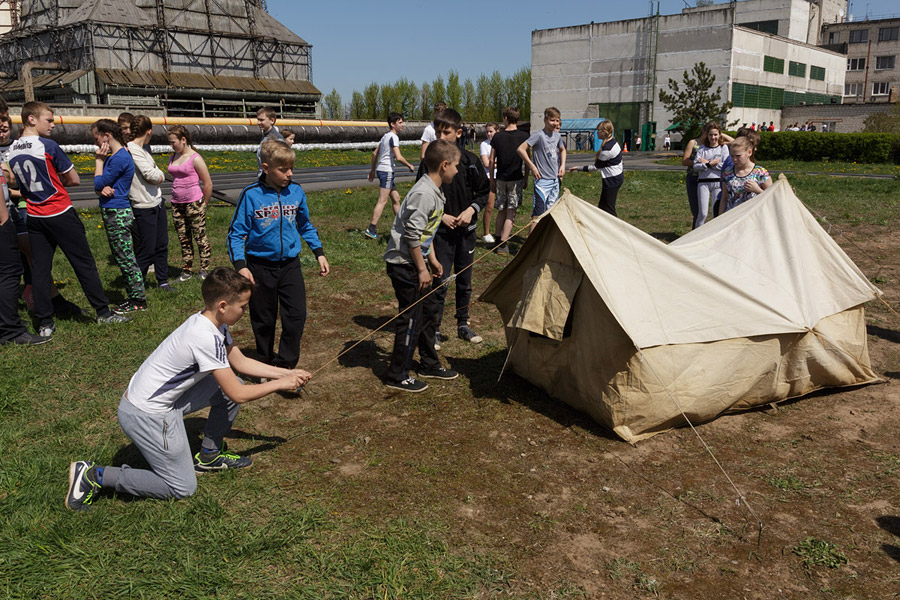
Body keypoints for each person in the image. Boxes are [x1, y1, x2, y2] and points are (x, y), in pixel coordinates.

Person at [64, 267, 313, 511]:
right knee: (181, 487)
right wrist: (280, 385)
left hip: (163, 402)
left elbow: (239, 362)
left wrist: (287, 373)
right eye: (243, 307)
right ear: (223, 306)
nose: (245, 311)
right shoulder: (205, 337)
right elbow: (239, 396)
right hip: (146, 414)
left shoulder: (211, 322)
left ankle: (209, 456)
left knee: (232, 382)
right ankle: (94, 475)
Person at [8, 102, 130, 336]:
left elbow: (16, 182)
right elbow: (73, 180)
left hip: (34, 214)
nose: (53, 124)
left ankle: (45, 322)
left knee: (40, 269)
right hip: (59, 211)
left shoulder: (12, 149)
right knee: (83, 262)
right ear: (31, 119)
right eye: (49, 120)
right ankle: (103, 312)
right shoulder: (48, 146)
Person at [227, 140, 330, 369]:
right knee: (263, 320)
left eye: (292, 168)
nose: (289, 174)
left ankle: (285, 366)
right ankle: (264, 362)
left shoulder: (296, 191)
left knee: (296, 316)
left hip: (290, 266)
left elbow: (305, 225)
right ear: (266, 168)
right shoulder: (251, 195)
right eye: (283, 170)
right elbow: (235, 234)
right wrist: (241, 265)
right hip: (259, 268)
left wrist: (318, 252)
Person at [383, 139, 460, 392]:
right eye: (456, 166)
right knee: (411, 319)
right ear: (444, 165)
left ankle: (428, 363)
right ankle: (397, 375)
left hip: (417, 261)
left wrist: (433, 259)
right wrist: (422, 269)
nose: (457, 171)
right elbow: (412, 236)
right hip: (404, 265)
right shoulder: (424, 193)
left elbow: (428, 230)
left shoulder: (435, 191)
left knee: (428, 314)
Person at [416, 109, 489, 346]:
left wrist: (471, 211)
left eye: (445, 132)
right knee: (440, 279)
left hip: (466, 233)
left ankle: (462, 323)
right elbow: (421, 199)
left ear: (458, 133)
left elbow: (484, 192)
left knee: (464, 280)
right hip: (442, 234)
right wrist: (442, 217)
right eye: (437, 132)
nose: (440, 136)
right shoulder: (428, 164)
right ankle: (434, 328)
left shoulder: (470, 162)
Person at [92, 119, 145, 314]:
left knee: (125, 257)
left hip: (117, 212)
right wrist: (100, 187)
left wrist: (98, 161)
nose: (96, 144)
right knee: (123, 255)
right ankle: (136, 295)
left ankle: (138, 299)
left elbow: (98, 183)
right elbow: (100, 187)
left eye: (96, 138)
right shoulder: (114, 157)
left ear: (107, 136)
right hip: (114, 210)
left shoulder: (118, 158)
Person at [0, 161, 46, 345]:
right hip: (2, 222)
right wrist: (4, 221)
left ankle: (6, 321)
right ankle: (10, 330)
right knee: (8, 273)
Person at [128, 115, 174, 292]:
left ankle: (162, 280)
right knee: (147, 249)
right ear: (149, 131)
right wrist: (160, 175)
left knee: (161, 244)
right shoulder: (132, 149)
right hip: (143, 205)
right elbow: (152, 175)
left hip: (156, 202)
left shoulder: (144, 150)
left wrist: (157, 174)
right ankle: (136, 284)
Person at [167, 125, 213, 281]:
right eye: (170, 142)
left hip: (193, 202)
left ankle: (204, 269)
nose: (171, 145)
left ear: (183, 140)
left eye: (173, 142)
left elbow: (207, 183)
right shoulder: (173, 157)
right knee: (183, 238)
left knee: (200, 237)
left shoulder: (196, 158)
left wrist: (203, 204)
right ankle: (186, 270)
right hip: (176, 202)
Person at [365, 112, 415, 239]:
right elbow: (398, 157)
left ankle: (402, 226)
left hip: (384, 171)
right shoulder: (393, 137)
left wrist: (372, 171)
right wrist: (409, 165)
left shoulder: (385, 136)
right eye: (400, 122)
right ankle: (372, 228)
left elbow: (374, 154)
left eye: (402, 122)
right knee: (383, 200)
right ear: (393, 124)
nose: (402, 125)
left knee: (396, 198)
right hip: (387, 171)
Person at [517, 106, 566, 230]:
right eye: (552, 120)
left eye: (557, 120)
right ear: (545, 120)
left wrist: (562, 166)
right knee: (537, 215)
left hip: (555, 180)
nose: (555, 123)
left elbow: (563, 149)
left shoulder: (557, 136)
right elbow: (521, 149)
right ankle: (531, 246)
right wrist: (532, 167)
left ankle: (545, 244)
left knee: (551, 213)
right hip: (542, 181)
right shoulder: (538, 135)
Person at [489, 107, 529, 254]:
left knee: (501, 210)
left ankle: (498, 237)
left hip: (500, 178)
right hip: (516, 178)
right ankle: (503, 243)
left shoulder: (497, 137)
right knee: (511, 212)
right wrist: (526, 178)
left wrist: (492, 179)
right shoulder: (524, 136)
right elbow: (527, 160)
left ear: (505, 118)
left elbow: (492, 159)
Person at [568, 120, 623, 216]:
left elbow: (595, 167)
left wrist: (578, 168)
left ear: (604, 132)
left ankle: (617, 229)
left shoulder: (607, 150)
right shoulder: (612, 142)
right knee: (602, 207)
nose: (596, 133)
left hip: (612, 180)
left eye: (598, 130)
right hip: (614, 178)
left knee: (609, 209)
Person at [718, 136, 771, 214]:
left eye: (738, 156)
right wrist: (720, 217)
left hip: (752, 217)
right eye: (732, 156)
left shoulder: (760, 173)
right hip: (731, 217)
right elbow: (724, 198)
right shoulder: (727, 172)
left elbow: (772, 196)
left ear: (749, 152)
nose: (734, 159)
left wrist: (757, 190)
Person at [692, 121, 729, 229]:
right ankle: (696, 235)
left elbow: (724, 166)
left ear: (719, 135)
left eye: (715, 135)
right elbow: (695, 165)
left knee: (715, 213)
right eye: (710, 135)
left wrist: (707, 163)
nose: (713, 137)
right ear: (707, 135)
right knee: (702, 213)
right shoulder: (702, 149)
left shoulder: (723, 148)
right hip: (703, 183)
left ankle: (713, 235)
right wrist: (709, 164)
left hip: (717, 183)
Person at [479, 122, 498, 243]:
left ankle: (499, 231)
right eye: (487, 131)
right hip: (489, 178)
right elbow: (486, 163)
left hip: (501, 177)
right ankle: (486, 233)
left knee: (503, 207)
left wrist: (494, 164)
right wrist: (499, 163)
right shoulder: (484, 144)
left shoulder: (501, 143)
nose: (489, 134)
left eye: (491, 131)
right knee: (489, 207)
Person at [256, 106, 284, 177]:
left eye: (261, 120)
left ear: (272, 120)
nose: (258, 122)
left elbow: (280, 162)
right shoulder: (265, 136)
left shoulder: (275, 139)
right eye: (258, 120)